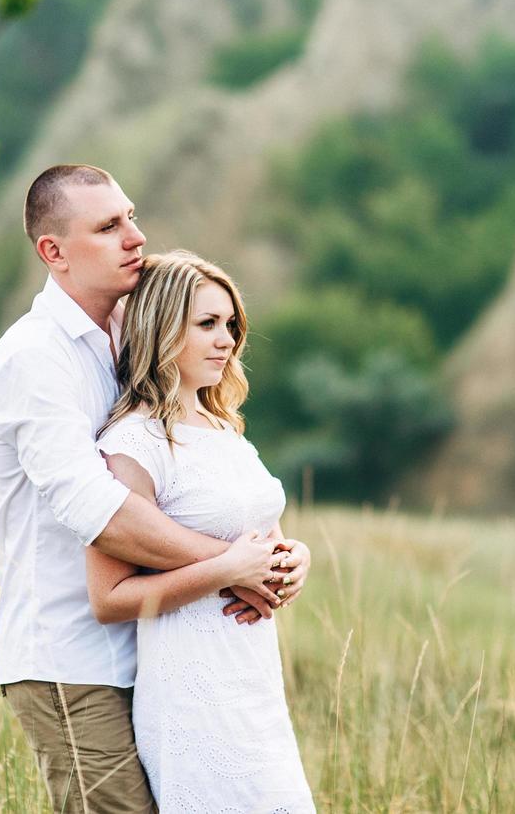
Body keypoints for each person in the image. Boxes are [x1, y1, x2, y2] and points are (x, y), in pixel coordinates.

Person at [0, 165, 312, 813]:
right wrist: (229, 567)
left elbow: (192, 479)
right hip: (70, 657)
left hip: (161, 652)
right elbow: (101, 515)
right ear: (54, 252)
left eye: (130, 216)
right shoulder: (35, 358)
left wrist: (275, 559)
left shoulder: (132, 336)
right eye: (108, 227)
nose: (135, 236)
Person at [87, 250, 315, 813]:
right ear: (163, 329)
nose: (228, 340)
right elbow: (110, 598)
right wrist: (224, 571)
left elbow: (263, 538)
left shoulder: (225, 428)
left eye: (232, 325)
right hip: (191, 688)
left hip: (254, 677)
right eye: (208, 324)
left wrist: (296, 558)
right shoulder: (133, 443)